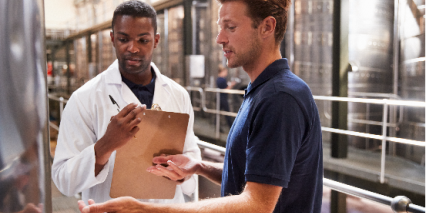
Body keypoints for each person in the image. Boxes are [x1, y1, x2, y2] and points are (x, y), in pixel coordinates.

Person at [78, 0, 323, 212]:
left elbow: (256, 205)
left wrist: (147, 210)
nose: (220, 39)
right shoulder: (261, 92)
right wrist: (199, 167)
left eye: (230, 27)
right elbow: (256, 174)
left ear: (267, 27)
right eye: (220, 28)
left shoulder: (281, 98)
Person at [52, 0, 201, 205]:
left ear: (156, 40)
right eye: (124, 39)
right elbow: (63, 180)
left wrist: (183, 174)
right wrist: (105, 146)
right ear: (113, 39)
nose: (133, 48)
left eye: (143, 40)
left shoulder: (178, 95)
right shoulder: (85, 98)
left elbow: (192, 155)